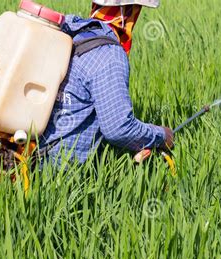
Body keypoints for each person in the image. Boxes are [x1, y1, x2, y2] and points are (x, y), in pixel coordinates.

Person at [39, 0, 173, 165]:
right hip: (59, 172)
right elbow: (118, 129)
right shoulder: (109, 54)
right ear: (128, 12)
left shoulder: (67, 31)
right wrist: (161, 136)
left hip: (22, 154)